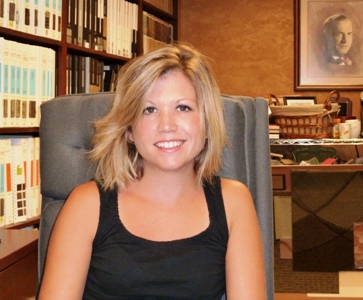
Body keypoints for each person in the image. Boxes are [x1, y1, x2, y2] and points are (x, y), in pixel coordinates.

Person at [38, 44, 266, 300]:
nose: (166, 125)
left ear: (206, 122)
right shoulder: (86, 205)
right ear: (129, 130)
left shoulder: (233, 202)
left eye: (183, 108)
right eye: (149, 110)